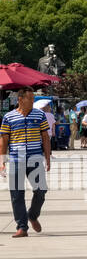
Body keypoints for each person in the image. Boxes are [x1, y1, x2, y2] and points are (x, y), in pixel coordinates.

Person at [1, 87, 51, 238]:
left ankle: (33, 215)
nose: (32, 101)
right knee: (17, 194)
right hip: (16, 160)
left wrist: (47, 157)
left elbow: (45, 137)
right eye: (30, 98)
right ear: (20, 100)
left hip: (35, 158)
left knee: (41, 191)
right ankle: (22, 226)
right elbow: (4, 140)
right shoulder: (9, 117)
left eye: (33, 98)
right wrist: (2, 160)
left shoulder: (40, 115)